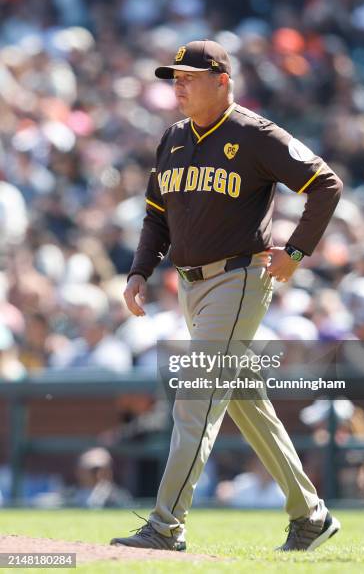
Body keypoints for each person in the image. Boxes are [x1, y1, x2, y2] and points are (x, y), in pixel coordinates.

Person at [111, 40, 343, 552]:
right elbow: (156, 215)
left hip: (238, 279)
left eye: (189, 76)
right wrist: (139, 271)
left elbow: (325, 184)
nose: (179, 84)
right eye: (174, 77)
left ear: (222, 80)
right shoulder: (172, 137)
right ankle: (311, 514)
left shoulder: (254, 133)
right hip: (192, 286)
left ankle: (166, 525)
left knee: (195, 399)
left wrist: (298, 251)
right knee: (243, 401)